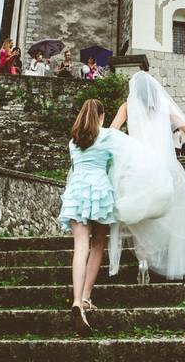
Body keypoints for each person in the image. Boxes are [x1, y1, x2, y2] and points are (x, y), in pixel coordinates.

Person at [109, 71, 185, 282]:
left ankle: (143, 259)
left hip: (138, 166)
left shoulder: (127, 107)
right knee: (172, 213)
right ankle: (171, 259)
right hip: (165, 166)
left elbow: (112, 132)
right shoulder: (164, 105)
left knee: (141, 215)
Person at [56, 99, 115, 336]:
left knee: (80, 247)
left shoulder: (73, 142)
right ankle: (87, 296)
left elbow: (73, 169)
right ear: (101, 116)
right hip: (100, 191)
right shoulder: (107, 137)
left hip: (77, 192)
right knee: (98, 245)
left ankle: (77, 302)